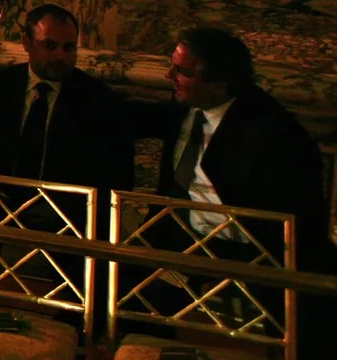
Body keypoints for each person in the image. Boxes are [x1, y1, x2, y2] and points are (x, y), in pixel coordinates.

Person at [132, 28, 332, 265]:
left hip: (243, 260)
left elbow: (292, 228)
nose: (168, 75)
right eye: (171, 65)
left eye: (181, 71)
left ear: (219, 84)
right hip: (175, 241)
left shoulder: (273, 137)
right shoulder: (189, 106)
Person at [0, 4, 134, 190]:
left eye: (69, 47)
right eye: (50, 46)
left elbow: (116, 179)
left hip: (68, 213)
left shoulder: (101, 102)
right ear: (27, 42)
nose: (60, 56)